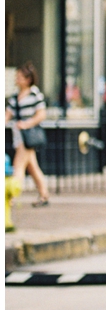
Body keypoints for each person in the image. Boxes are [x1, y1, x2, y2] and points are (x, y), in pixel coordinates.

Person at [6, 64, 50, 207]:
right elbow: (7, 115)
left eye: (19, 77)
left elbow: (41, 114)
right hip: (18, 137)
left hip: (28, 137)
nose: (16, 79)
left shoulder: (34, 94)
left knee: (18, 166)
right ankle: (44, 195)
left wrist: (26, 124)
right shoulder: (15, 96)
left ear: (27, 79)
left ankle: (10, 197)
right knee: (32, 167)